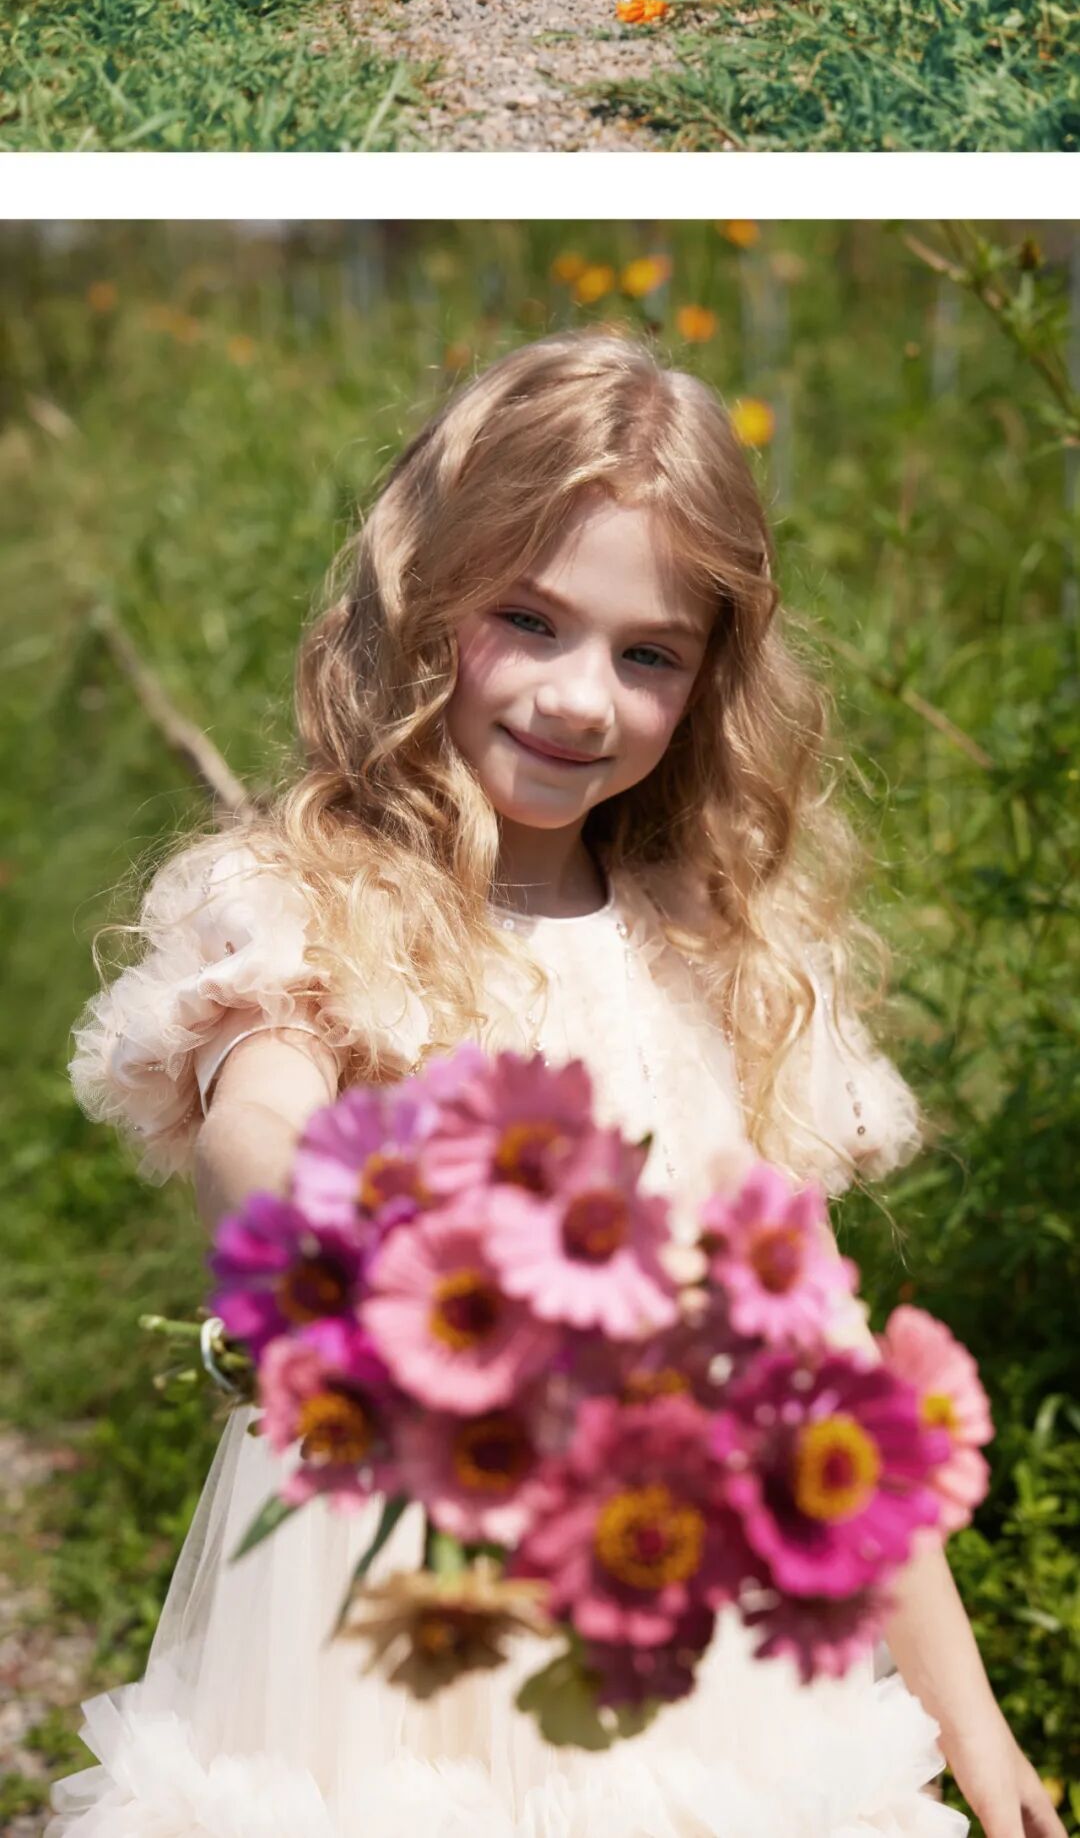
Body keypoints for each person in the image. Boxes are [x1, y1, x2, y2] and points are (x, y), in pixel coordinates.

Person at [65, 337, 1054, 1838]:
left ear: (712, 678)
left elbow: (820, 1370)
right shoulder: (322, 901)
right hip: (401, 1632)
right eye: (527, 620)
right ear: (425, 599)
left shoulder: (712, 952)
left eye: (649, 652)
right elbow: (252, 1121)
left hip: (679, 1623)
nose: (581, 696)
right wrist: (356, 1259)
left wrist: (965, 1720)